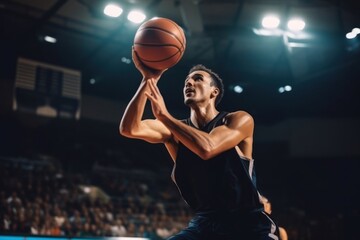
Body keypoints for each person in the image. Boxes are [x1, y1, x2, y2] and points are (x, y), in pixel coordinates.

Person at [119, 48, 280, 239]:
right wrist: (148, 78)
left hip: (247, 225)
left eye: (197, 79)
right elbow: (130, 128)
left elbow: (208, 148)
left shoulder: (238, 119)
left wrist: (165, 116)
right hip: (205, 223)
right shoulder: (174, 129)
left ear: (214, 91)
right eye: (187, 80)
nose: (189, 82)